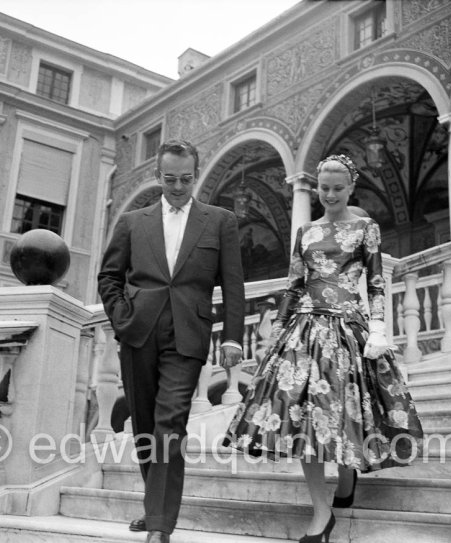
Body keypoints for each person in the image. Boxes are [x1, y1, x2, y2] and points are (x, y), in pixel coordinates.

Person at [223, 154, 423, 543]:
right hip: (304, 328)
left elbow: (377, 282)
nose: (329, 195)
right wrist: (277, 332)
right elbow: (295, 285)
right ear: (316, 188)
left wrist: (379, 328)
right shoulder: (306, 232)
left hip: (350, 327)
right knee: (306, 418)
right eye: (324, 188)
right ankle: (321, 512)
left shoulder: (366, 228)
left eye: (337, 188)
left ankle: (346, 479)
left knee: (346, 409)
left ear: (350, 188)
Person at [98, 139, 245, 543]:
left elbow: (233, 284)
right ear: (157, 176)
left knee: (170, 424)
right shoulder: (133, 222)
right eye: (169, 179)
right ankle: (155, 505)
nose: (178, 186)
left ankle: (160, 526)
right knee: (144, 425)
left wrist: (232, 337)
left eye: (185, 179)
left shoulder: (220, 221)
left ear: (195, 175)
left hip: (188, 334)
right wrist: (122, 317)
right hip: (138, 333)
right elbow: (109, 277)